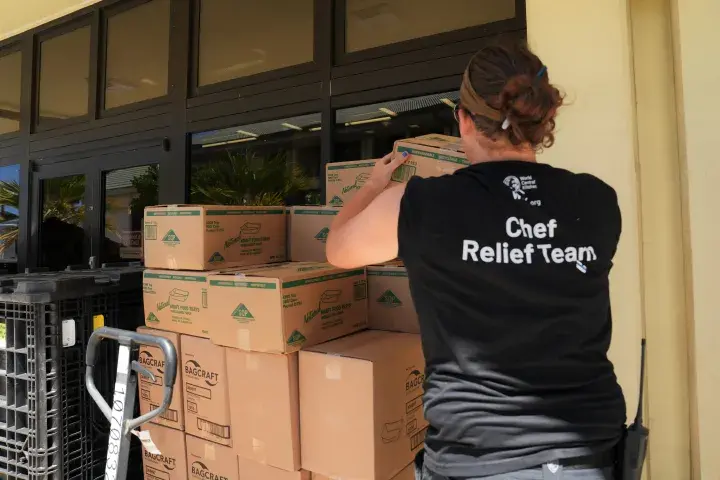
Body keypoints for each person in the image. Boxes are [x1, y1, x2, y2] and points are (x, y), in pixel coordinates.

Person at [325, 40, 626, 480]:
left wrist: (373, 185)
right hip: (591, 455)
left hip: (479, 459)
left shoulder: (421, 204)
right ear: (545, 119)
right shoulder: (597, 200)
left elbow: (338, 250)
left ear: (462, 119)